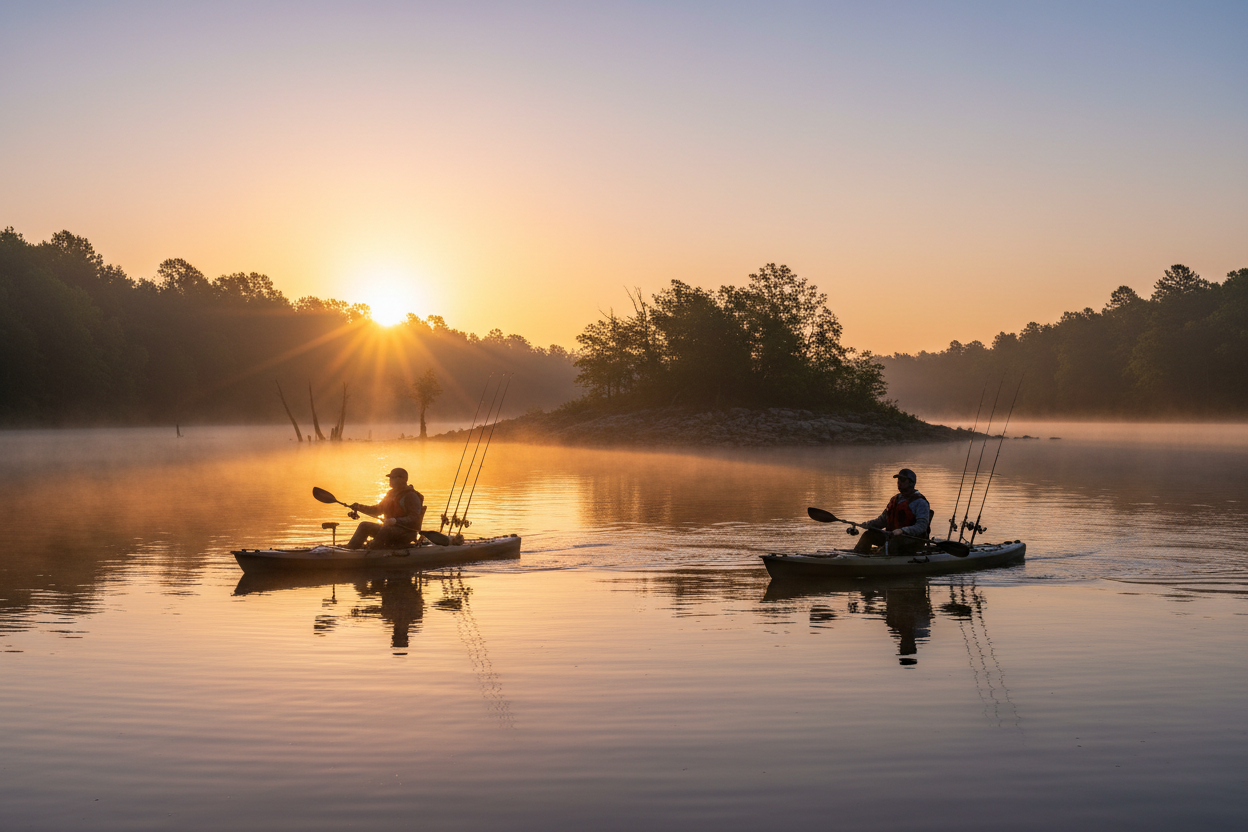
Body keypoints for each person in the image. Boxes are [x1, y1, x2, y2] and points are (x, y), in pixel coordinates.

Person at [852, 468, 931, 556]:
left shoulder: (920, 502)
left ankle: (878, 559)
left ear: (911, 482)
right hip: (892, 537)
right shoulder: (895, 499)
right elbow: (882, 520)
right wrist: (868, 524)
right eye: (898, 479)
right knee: (868, 535)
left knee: (895, 541)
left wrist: (902, 531)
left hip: (910, 541)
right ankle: (857, 555)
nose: (899, 482)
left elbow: (922, 526)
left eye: (903, 480)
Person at [345, 467, 425, 549]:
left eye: (393, 477)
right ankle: (351, 549)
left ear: (403, 479)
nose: (390, 480)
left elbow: (414, 517)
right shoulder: (390, 494)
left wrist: (396, 520)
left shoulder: (411, 496)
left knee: (386, 529)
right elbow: (377, 510)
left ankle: (374, 549)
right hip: (388, 529)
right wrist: (359, 507)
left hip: (406, 533)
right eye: (390, 478)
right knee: (364, 525)